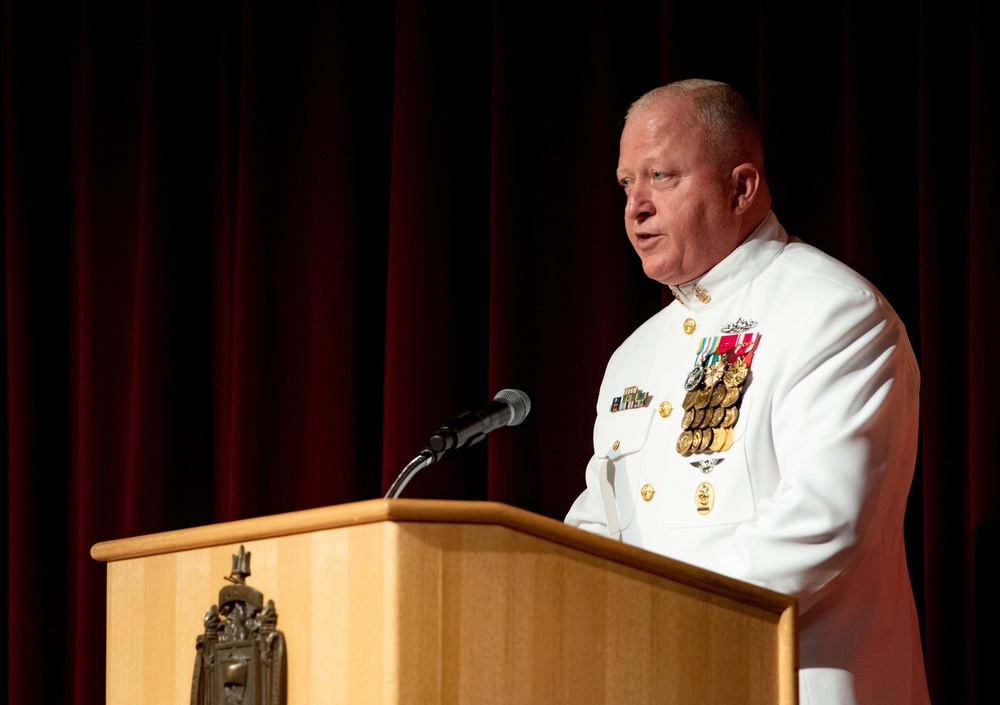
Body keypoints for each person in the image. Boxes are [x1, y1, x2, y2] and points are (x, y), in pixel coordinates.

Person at [565, 79, 931, 705]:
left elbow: (819, 525)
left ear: (742, 187)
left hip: (790, 683)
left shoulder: (832, 311)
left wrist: (650, 619)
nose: (636, 206)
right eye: (627, 183)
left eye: (662, 176)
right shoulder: (635, 356)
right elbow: (601, 521)